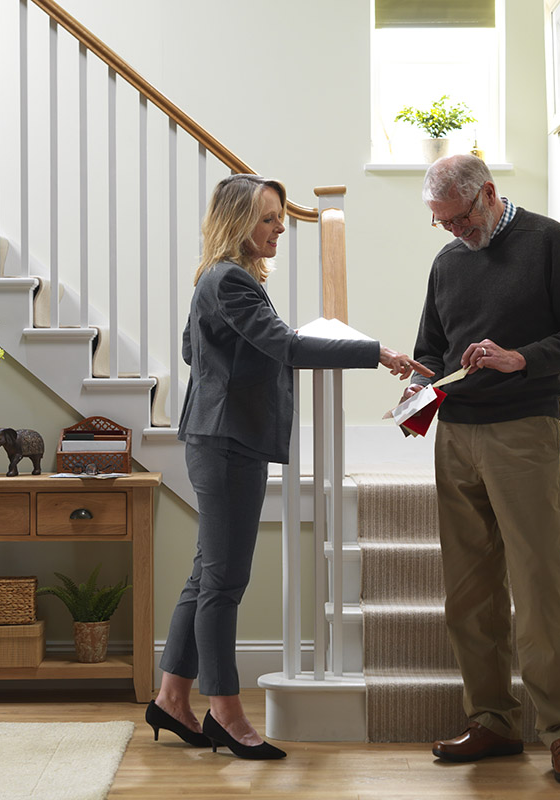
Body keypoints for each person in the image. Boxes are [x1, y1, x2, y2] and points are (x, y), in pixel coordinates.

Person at [148, 173, 432, 760]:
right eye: (268, 217)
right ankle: (224, 712)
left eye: (279, 216)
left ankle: (171, 697)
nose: (280, 227)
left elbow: (190, 349)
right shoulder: (231, 281)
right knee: (224, 582)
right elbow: (288, 347)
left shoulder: (219, 278)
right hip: (228, 443)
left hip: (220, 437)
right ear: (237, 223)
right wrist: (373, 352)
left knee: (208, 573)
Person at [402, 155, 560, 785]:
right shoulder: (447, 262)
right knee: (468, 590)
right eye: (441, 223)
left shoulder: (547, 242)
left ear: (487, 194)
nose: (452, 232)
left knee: (538, 585)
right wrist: (418, 380)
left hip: (524, 433)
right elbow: (430, 347)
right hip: (456, 435)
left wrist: (522, 359)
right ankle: (491, 719)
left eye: (458, 219)